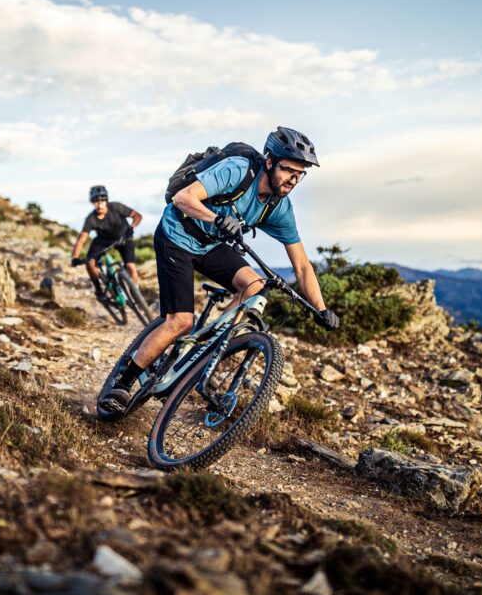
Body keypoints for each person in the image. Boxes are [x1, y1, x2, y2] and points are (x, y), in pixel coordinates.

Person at [105, 127, 340, 406]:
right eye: (288, 170)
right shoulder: (237, 171)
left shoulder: (279, 207)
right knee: (180, 322)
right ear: (269, 162)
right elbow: (183, 198)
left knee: (256, 287)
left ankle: (203, 349)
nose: (294, 179)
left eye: (300, 174)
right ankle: (123, 382)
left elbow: (301, 265)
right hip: (176, 236)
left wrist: (321, 309)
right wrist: (215, 219)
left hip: (211, 244)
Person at [70, 186, 142, 299]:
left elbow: (137, 216)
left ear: (106, 200)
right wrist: (75, 257)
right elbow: (81, 239)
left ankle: (137, 295)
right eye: (96, 201)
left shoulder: (117, 207)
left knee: (131, 266)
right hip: (104, 240)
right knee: (90, 263)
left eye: (102, 201)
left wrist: (132, 227)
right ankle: (98, 290)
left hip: (124, 237)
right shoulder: (90, 219)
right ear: (92, 202)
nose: (99, 204)